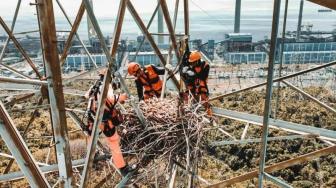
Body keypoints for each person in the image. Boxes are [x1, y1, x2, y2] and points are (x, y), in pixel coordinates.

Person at [84, 69, 134, 176]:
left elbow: (86, 96)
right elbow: (111, 98)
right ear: (109, 77)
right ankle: (122, 168)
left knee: (90, 136)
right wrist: (122, 97)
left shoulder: (95, 86)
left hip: (93, 117)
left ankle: (90, 156)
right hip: (104, 119)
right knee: (113, 142)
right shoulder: (106, 86)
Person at [180, 51, 212, 116]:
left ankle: (210, 116)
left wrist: (193, 74)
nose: (192, 64)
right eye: (191, 63)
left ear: (198, 60)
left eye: (193, 62)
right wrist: (186, 72)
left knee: (205, 101)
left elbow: (202, 77)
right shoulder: (192, 67)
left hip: (201, 87)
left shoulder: (206, 66)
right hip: (193, 86)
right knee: (187, 96)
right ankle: (186, 114)